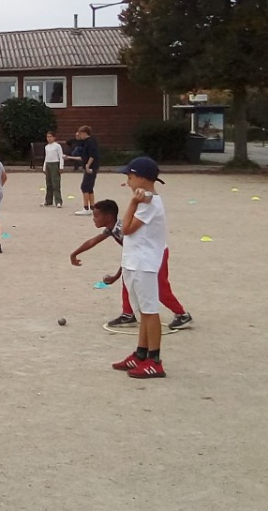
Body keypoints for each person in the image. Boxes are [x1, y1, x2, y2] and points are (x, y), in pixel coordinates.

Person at [70, 199, 194, 330]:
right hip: (143, 254)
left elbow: (128, 258)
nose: (93, 219)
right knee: (128, 280)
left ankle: (182, 315)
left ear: (108, 217)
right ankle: (128, 314)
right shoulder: (113, 228)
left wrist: (115, 276)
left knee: (158, 286)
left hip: (156, 253)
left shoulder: (122, 231)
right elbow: (93, 241)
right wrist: (74, 253)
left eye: (96, 216)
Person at [113, 157, 169, 379]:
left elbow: (125, 228)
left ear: (142, 179)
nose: (127, 181)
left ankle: (154, 360)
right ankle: (141, 353)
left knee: (149, 311)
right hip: (134, 261)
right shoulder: (147, 201)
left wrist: (133, 203)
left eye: (130, 177)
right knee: (142, 312)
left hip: (144, 263)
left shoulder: (150, 204)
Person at [70, 126, 100, 216]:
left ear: (85, 133)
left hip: (91, 166)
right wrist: (69, 157)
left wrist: (88, 165)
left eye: (80, 133)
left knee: (85, 186)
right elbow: (83, 157)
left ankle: (86, 208)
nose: (79, 135)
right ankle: (92, 207)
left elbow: (92, 155)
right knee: (89, 187)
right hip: (89, 166)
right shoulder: (85, 142)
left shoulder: (90, 142)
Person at [42, 130, 64, 207]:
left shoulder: (57, 146)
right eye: (48, 137)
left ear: (54, 137)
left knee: (55, 183)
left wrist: (61, 166)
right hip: (48, 164)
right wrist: (44, 167)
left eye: (50, 137)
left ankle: (58, 201)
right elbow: (46, 157)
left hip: (55, 164)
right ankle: (48, 200)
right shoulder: (46, 147)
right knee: (48, 183)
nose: (49, 138)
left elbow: (61, 156)